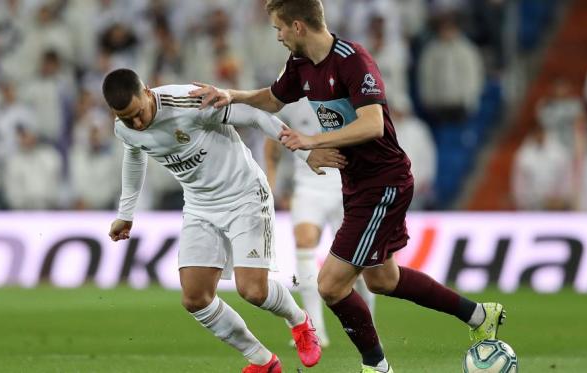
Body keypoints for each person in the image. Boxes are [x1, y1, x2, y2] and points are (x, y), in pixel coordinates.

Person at [189, 1, 506, 372]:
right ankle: (479, 314)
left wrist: (314, 140)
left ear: (297, 26)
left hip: (383, 182)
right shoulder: (301, 64)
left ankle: (377, 366)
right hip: (356, 183)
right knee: (384, 279)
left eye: (278, 28)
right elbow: (274, 99)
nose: (276, 36)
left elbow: (372, 124)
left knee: (331, 286)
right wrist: (234, 95)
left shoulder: (353, 59)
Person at [103, 68, 347, 373]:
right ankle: (262, 360)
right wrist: (126, 215)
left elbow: (256, 117)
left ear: (147, 91)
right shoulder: (125, 128)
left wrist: (303, 153)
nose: (136, 123)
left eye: (138, 113)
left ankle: (299, 321)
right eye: (127, 118)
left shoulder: (189, 103)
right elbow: (135, 155)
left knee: (253, 291)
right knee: (195, 298)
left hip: (244, 195)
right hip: (199, 205)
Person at [264, 98, 376, 348]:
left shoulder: (342, 84)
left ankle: (368, 326)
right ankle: (315, 330)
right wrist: (271, 184)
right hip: (308, 186)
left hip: (347, 183)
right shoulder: (288, 92)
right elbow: (272, 141)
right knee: (304, 242)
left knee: (356, 262)